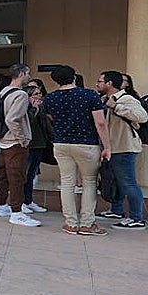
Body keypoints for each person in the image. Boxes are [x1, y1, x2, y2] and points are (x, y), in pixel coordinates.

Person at [43, 64, 111, 235]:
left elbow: (51, 118)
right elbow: (100, 123)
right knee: (89, 183)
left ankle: (71, 223)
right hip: (87, 144)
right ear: (74, 77)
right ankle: (87, 223)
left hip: (61, 144)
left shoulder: (50, 98)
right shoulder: (89, 95)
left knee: (67, 183)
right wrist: (107, 146)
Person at [95, 70, 147, 229]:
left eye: (100, 81)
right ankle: (117, 210)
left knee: (128, 183)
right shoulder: (105, 99)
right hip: (112, 148)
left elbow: (142, 116)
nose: (97, 84)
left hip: (124, 147)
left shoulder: (126, 99)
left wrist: (117, 107)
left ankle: (137, 218)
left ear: (109, 83)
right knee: (116, 181)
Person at [0, 64, 39, 227]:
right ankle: (17, 212)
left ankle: (2, 205)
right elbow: (12, 119)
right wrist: (22, 139)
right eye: (28, 74)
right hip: (14, 141)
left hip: (3, 139)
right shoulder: (20, 95)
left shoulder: (3, 91)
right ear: (21, 74)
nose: (29, 77)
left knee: (3, 174)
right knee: (17, 176)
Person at [21, 79, 52, 216]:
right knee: (25, 175)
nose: (39, 96)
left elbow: (46, 126)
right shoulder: (26, 109)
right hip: (28, 145)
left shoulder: (41, 108)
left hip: (40, 144)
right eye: (35, 94)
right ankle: (20, 201)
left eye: (39, 93)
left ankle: (28, 200)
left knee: (32, 174)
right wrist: (34, 109)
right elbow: (28, 123)